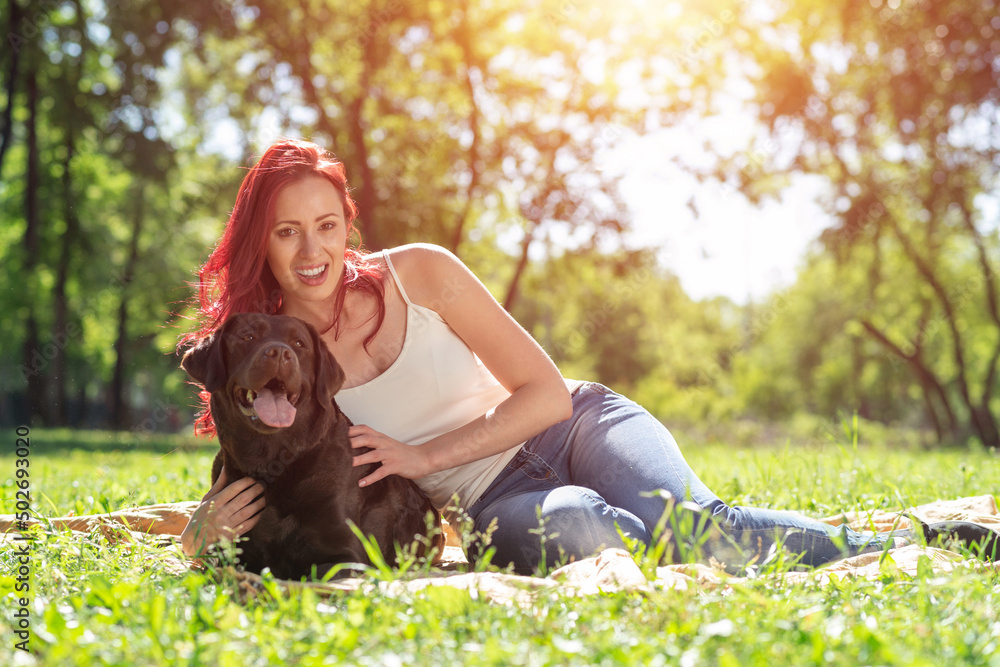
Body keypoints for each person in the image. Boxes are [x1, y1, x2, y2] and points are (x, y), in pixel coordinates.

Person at [179, 138, 998, 573]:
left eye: (326, 223)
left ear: (347, 222)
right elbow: (256, 464)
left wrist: (421, 454)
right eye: (288, 231)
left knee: (698, 528)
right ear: (265, 239)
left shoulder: (419, 272)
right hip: (489, 502)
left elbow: (543, 393)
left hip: (569, 426)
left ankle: (920, 539)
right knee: (577, 526)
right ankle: (673, 546)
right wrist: (196, 533)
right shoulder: (269, 355)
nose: (312, 248)